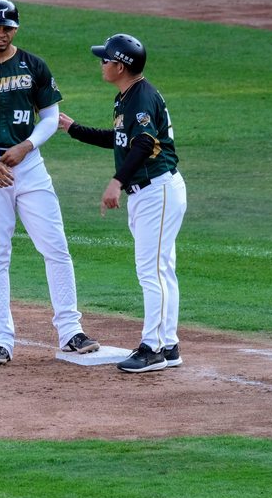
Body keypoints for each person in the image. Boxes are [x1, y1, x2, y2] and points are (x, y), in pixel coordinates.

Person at [0, 0, 99, 365]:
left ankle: (70, 331)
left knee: (56, 246)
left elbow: (51, 117)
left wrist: (27, 146)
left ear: (15, 30)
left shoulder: (34, 66)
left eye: (9, 28)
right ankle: (1, 340)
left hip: (30, 167)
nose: (3, 33)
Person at [58, 33, 187, 373]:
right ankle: (168, 344)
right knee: (161, 270)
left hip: (156, 191)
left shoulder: (140, 98)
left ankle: (153, 348)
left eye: (106, 59)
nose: (101, 63)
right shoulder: (127, 97)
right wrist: (74, 129)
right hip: (152, 191)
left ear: (120, 66)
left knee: (152, 271)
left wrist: (117, 181)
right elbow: (119, 139)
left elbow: (143, 143)